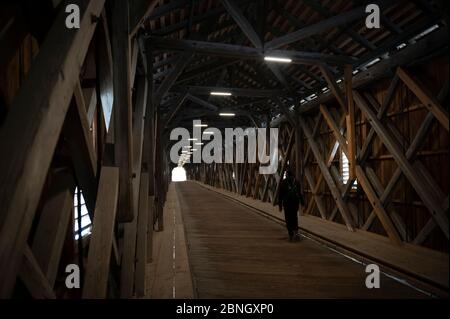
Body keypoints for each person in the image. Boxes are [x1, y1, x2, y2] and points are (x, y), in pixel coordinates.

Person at [278, 169, 305, 242]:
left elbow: (280, 195)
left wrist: (280, 205)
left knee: (288, 218)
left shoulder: (283, 183)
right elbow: (299, 194)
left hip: (287, 204)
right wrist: (302, 203)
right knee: (294, 217)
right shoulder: (296, 182)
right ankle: (296, 232)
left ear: (286, 175)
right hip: (294, 203)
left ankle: (290, 234)